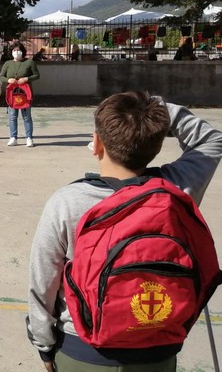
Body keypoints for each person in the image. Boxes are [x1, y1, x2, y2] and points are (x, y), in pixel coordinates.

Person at [26, 92, 222, 372]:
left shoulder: (66, 201)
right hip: (157, 348)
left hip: (83, 350)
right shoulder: (176, 189)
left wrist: (44, 345)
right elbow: (211, 139)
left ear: (96, 144)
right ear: (155, 145)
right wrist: (157, 105)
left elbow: (42, 282)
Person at [0, 41, 40, 147]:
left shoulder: (29, 62)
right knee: (12, 116)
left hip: (25, 93)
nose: (16, 52)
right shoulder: (8, 64)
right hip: (12, 94)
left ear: (22, 51)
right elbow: (1, 76)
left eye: (18, 50)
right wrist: (8, 80)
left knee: (27, 116)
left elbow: (36, 75)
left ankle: (29, 138)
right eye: (14, 50)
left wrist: (27, 78)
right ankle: (13, 137)